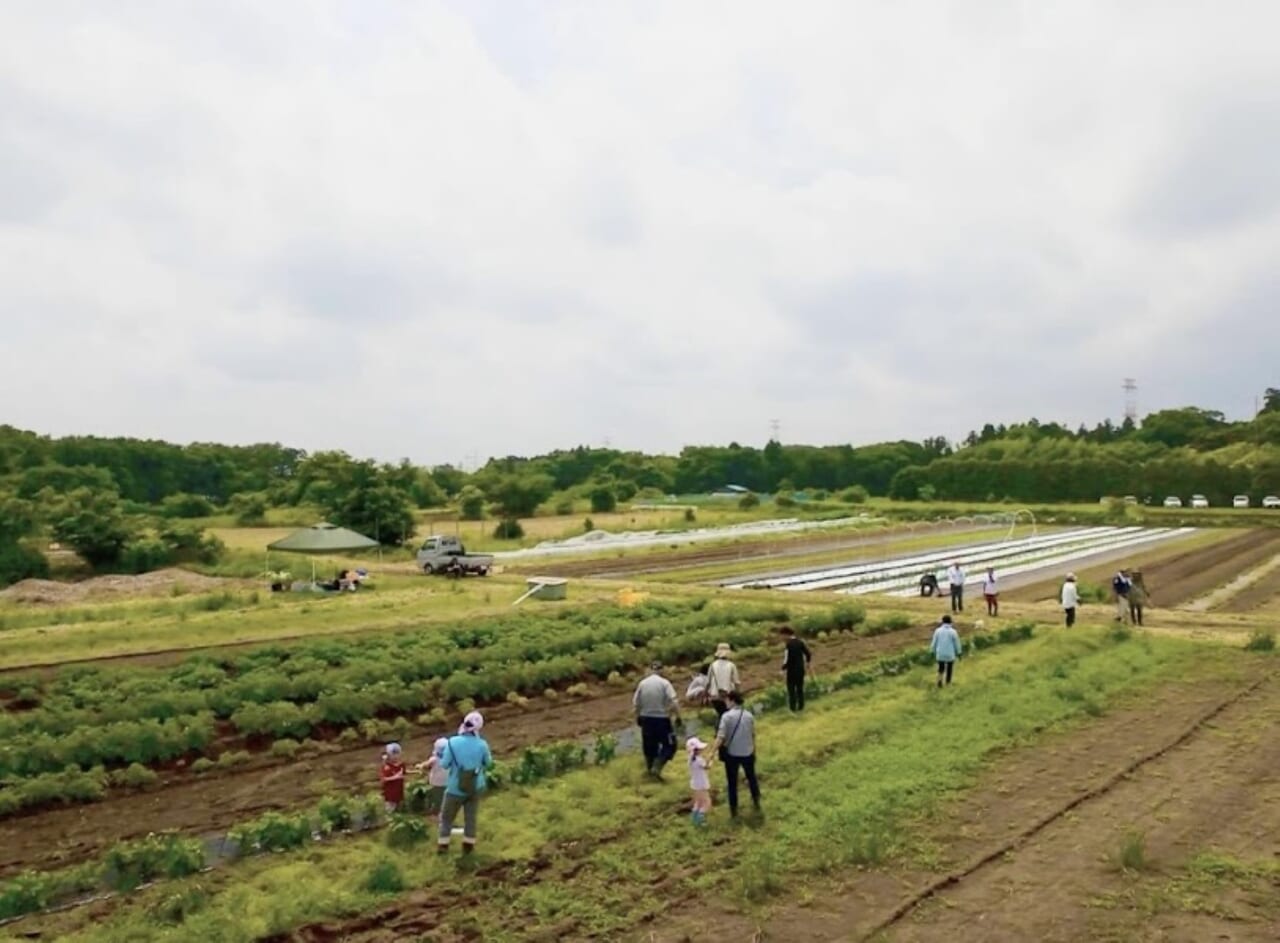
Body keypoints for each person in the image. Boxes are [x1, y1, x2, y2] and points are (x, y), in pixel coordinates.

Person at [437, 711, 493, 856]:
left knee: (446, 818)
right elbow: (489, 763)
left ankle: (443, 846)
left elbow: (444, 764)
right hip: (475, 786)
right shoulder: (482, 745)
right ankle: (468, 846)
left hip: (455, 788)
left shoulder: (452, 742)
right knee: (470, 817)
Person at [712, 690, 761, 818]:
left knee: (732, 783)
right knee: (751, 778)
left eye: (727, 700)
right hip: (748, 752)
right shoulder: (749, 715)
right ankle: (756, 800)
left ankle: (733, 809)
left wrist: (711, 752)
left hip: (732, 754)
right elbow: (752, 735)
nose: (726, 703)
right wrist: (754, 750)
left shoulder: (726, 717)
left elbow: (720, 737)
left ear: (732, 700)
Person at [632, 662, 682, 779]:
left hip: (646, 719)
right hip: (662, 719)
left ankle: (651, 772)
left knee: (649, 746)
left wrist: (637, 716)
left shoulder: (642, 683)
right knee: (670, 745)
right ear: (661, 670)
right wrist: (678, 716)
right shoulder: (665, 683)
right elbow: (674, 701)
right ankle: (657, 766)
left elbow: (636, 703)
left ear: (650, 670)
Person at [414, 736, 449, 822]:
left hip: (436, 783)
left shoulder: (434, 759)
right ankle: (443, 813)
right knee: (444, 798)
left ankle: (435, 814)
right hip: (447, 782)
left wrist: (419, 766)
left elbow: (426, 765)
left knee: (436, 799)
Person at [779, 626, 812, 712]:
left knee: (791, 690)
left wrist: (783, 669)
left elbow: (787, 659)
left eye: (782, 635)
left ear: (786, 634)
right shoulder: (800, 642)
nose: (781, 638)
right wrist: (808, 663)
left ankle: (793, 708)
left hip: (792, 670)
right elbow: (808, 653)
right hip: (800, 669)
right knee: (800, 689)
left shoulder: (788, 644)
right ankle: (801, 707)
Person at [706, 643, 741, 717]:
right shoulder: (731, 665)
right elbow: (736, 682)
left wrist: (705, 694)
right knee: (729, 717)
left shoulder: (712, 665)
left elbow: (708, 683)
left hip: (715, 696)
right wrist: (738, 695)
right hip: (728, 697)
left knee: (721, 716)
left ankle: (719, 728)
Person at [930, 615, 963, 687]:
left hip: (940, 653)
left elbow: (934, 642)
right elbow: (957, 643)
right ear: (950, 622)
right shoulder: (953, 631)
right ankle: (948, 683)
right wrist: (959, 653)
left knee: (941, 668)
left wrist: (932, 651)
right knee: (949, 668)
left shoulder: (937, 631)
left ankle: (939, 681)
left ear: (942, 622)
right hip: (950, 654)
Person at [686, 737, 712, 827]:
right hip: (701, 784)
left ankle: (694, 820)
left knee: (698, 802)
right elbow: (707, 766)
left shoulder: (690, 760)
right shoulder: (699, 760)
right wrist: (710, 759)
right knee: (707, 803)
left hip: (695, 784)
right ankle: (700, 820)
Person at [380, 742, 406, 813]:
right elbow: (383, 779)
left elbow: (404, 773)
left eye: (397, 754)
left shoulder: (401, 765)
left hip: (399, 794)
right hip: (390, 796)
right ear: (389, 755)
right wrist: (395, 777)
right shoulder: (386, 767)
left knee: (400, 812)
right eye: (393, 754)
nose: (396, 756)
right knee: (390, 813)